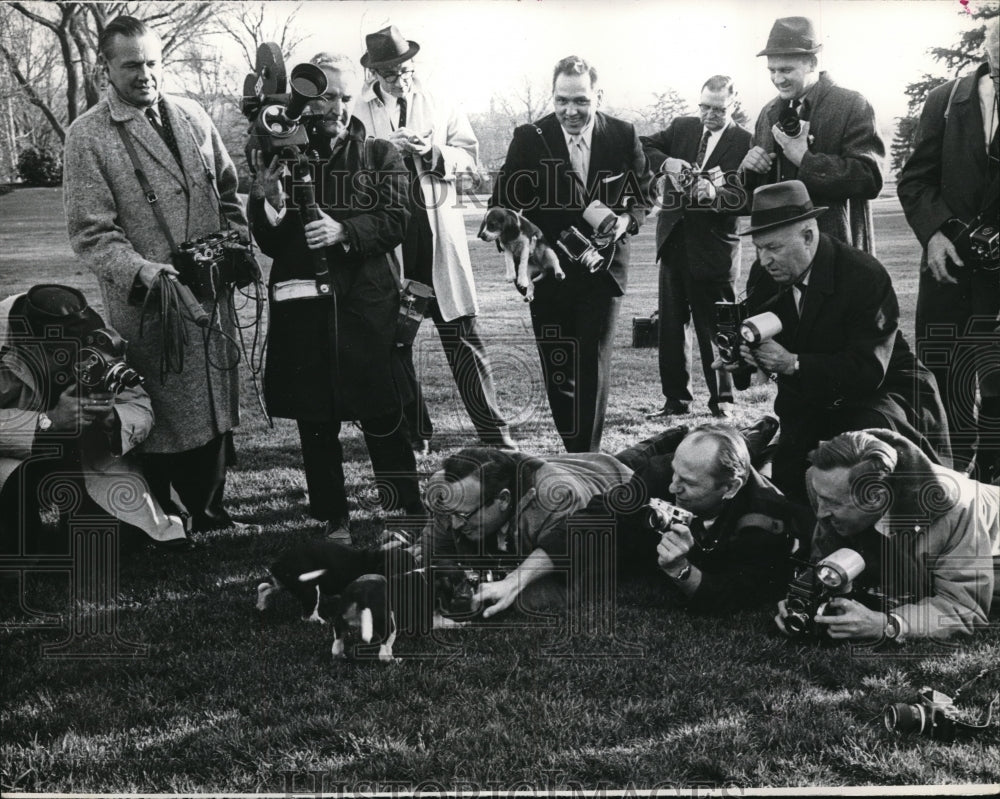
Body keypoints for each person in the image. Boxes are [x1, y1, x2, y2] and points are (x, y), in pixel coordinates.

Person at [63, 16, 248, 533]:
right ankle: (160, 518)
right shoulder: (87, 135)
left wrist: (232, 246)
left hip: (210, 297)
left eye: (151, 62)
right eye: (131, 65)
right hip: (149, 306)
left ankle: (210, 512)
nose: (144, 74)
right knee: (162, 417)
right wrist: (145, 272)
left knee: (212, 407)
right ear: (105, 68)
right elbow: (90, 233)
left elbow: (228, 192)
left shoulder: (192, 114)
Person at [248, 52, 422, 542]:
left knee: (383, 415)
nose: (338, 107)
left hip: (368, 307)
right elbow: (268, 239)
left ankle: (403, 512)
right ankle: (334, 518)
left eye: (345, 97)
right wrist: (270, 199)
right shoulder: (282, 152)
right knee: (316, 419)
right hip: (305, 307)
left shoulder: (381, 154)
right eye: (326, 96)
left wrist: (344, 230)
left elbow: (397, 220)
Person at [723, 181, 951, 501]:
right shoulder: (764, 276)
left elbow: (869, 369)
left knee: (862, 467)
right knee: (791, 486)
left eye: (773, 248)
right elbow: (759, 343)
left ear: (808, 235)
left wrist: (794, 363)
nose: (764, 260)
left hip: (882, 392)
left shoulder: (863, 275)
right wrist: (742, 359)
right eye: (759, 248)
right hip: (811, 395)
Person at [352, 25, 514, 454]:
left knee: (462, 337)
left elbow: (473, 166)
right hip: (391, 242)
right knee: (395, 342)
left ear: (412, 64)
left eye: (402, 67)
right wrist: (384, 147)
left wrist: (433, 152)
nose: (396, 76)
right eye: (387, 70)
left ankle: (495, 436)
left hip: (437, 237)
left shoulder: (440, 102)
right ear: (374, 73)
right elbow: (347, 169)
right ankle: (414, 433)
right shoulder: (356, 110)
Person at [491, 56, 652, 453]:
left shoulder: (622, 134)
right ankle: (575, 448)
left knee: (592, 365)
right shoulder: (530, 137)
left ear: (598, 95)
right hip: (549, 270)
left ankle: (587, 456)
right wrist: (523, 237)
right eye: (562, 100)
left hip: (603, 269)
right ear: (553, 97)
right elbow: (504, 203)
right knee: (559, 368)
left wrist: (627, 220)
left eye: (581, 100)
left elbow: (644, 195)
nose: (570, 111)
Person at [1, 285, 190, 561]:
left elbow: (140, 407)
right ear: (28, 343)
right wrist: (48, 422)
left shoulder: (96, 338)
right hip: (10, 456)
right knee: (16, 549)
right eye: (57, 351)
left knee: (106, 545)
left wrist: (113, 419)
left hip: (85, 455)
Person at [775, 429, 999, 643]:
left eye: (833, 503)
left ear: (876, 499)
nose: (821, 511)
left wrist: (887, 624)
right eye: (819, 496)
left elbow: (965, 609)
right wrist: (804, 598)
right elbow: (825, 563)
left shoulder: (956, 510)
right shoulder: (832, 482)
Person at [897, 17, 1000, 480]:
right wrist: (934, 235)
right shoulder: (943, 101)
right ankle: (950, 480)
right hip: (947, 269)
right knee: (940, 380)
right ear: (987, 46)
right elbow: (914, 179)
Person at [580, 421, 814, 614]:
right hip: (723, 468)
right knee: (629, 461)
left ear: (731, 488)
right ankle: (756, 432)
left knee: (770, 462)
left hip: (757, 492)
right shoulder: (664, 471)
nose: (673, 488)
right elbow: (604, 513)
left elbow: (734, 596)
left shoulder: (764, 519)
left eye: (688, 483)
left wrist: (681, 570)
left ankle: (768, 437)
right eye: (675, 474)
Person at [640, 75, 752, 420]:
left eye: (717, 109)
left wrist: (717, 195)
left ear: (733, 105)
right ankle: (676, 400)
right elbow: (641, 145)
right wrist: (665, 163)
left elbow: (750, 196)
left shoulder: (747, 142)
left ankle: (723, 401)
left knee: (717, 329)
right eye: (703, 106)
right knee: (671, 328)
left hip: (714, 250)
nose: (708, 115)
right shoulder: (682, 128)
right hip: (673, 243)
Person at [411, 447, 633, 618]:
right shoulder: (455, 490)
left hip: (615, 478)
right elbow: (431, 548)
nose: (455, 524)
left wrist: (478, 598)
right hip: (573, 465)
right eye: (452, 514)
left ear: (503, 500)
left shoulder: (556, 501)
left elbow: (569, 587)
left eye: (463, 517)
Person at [738, 16, 884, 253]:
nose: (777, 79)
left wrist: (804, 159)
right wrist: (749, 170)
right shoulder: (767, 113)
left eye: (786, 70)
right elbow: (749, 198)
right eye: (772, 70)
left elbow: (870, 179)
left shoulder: (851, 104)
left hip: (837, 255)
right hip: (779, 260)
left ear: (812, 63)